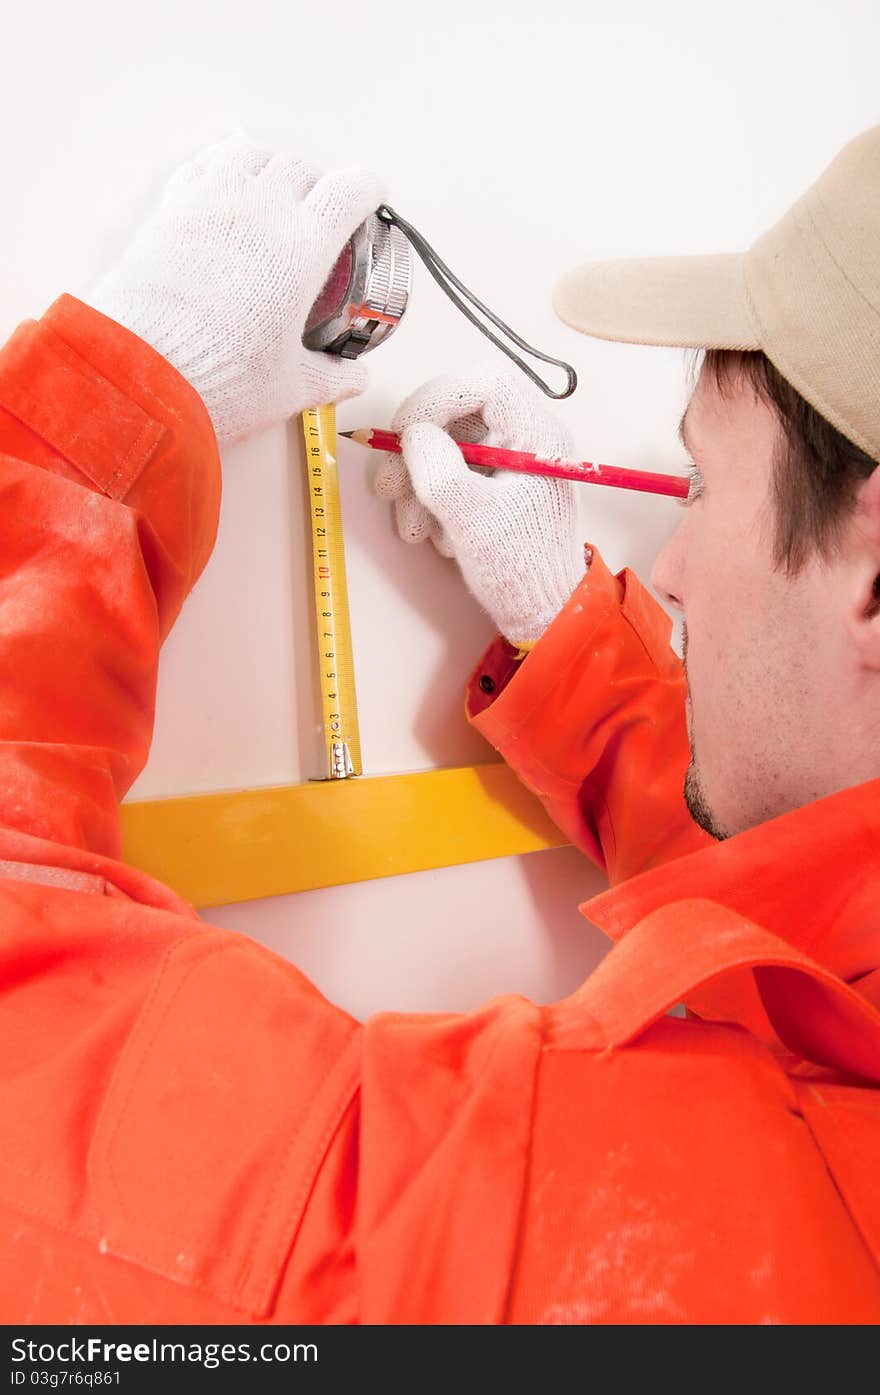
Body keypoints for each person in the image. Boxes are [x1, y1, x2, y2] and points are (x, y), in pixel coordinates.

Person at [0, 128, 878, 1326]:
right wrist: (567, 630)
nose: (666, 569)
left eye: (705, 488)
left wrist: (98, 428)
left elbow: (47, 1106)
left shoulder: (650, 1228)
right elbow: (827, 927)